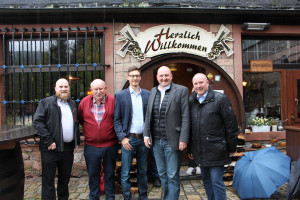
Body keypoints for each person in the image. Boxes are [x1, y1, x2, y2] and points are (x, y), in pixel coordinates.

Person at [188, 73, 238, 200]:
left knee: (216, 182)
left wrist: (231, 148)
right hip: (200, 150)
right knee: (207, 181)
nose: (198, 86)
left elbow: (231, 125)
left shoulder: (221, 99)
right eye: (196, 83)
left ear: (208, 83)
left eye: (201, 83)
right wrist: (191, 149)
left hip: (216, 149)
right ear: (193, 86)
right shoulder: (191, 101)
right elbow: (190, 128)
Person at [144, 66, 190, 200]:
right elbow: (148, 115)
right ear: (157, 77)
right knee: (162, 174)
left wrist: (183, 138)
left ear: (171, 76)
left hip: (173, 141)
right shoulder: (153, 91)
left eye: (166, 75)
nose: (164, 78)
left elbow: (185, 116)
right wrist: (146, 135)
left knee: (172, 175)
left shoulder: (181, 90)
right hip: (156, 141)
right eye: (161, 76)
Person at [33, 78, 80, 200]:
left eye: (66, 86)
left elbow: (75, 124)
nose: (64, 89)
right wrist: (49, 140)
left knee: (64, 180)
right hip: (50, 148)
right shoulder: (46, 103)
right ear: (55, 89)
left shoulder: (72, 104)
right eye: (61, 87)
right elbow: (38, 123)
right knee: (48, 181)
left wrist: (76, 142)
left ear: (69, 88)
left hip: (68, 149)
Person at [78, 79, 118, 200]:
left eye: (101, 89)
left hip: (110, 145)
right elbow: (81, 119)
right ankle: (94, 197)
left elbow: (118, 119)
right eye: (95, 89)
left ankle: (110, 197)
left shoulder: (113, 101)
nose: (98, 91)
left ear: (105, 89)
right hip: (91, 146)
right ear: (91, 90)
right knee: (93, 175)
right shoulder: (84, 102)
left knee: (110, 174)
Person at [114, 66, 150, 200]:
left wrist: (148, 135)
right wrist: (122, 138)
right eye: (132, 75)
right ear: (128, 77)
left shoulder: (147, 94)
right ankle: (127, 197)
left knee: (142, 171)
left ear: (140, 77)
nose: (135, 78)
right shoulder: (120, 95)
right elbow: (116, 120)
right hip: (128, 140)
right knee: (125, 173)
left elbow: (150, 118)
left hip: (143, 140)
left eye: (137, 75)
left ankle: (143, 197)